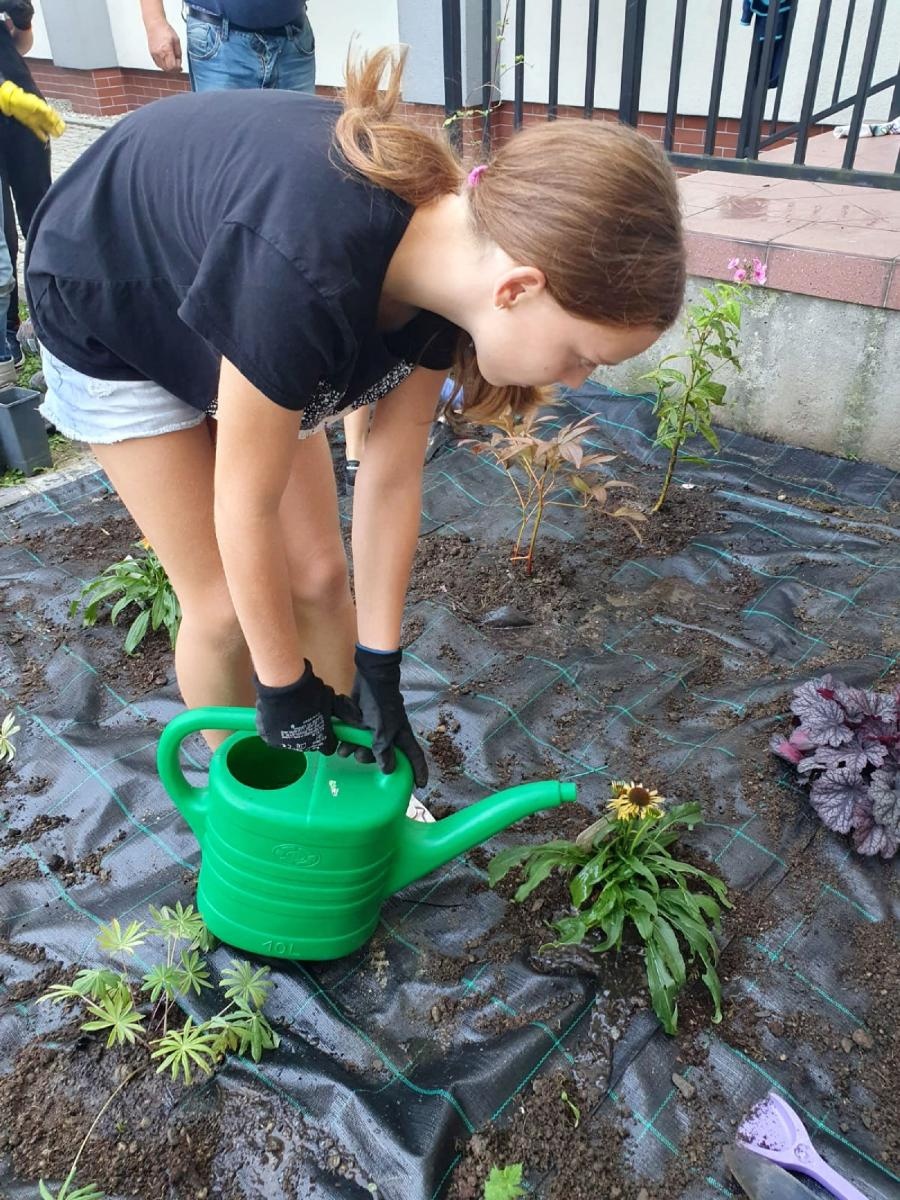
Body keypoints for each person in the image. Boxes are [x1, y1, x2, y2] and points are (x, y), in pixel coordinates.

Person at [25, 47, 684, 786]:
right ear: (518, 289)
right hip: (110, 297)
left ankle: (340, 782)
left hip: (229, 279)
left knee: (316, 574)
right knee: (222, 609)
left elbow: (392, 474)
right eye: (579, 354)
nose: (576, 378)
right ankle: (253, 810)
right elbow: (245, 503)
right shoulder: (308, 272)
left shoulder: (446, 283)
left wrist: (381, 668)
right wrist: (280, 688)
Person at [0, 0, 55, 367]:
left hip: (18, 104)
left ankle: (50, 317)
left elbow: (23, 38)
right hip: (10, 95)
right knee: (3, 233)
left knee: (41, 215)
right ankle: (7, 332)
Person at [139, 0, 315, 94]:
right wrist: (154, 21)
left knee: (298, 146)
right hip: (218, 40)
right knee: (224, 146)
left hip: (293, 40)